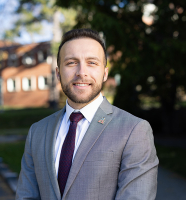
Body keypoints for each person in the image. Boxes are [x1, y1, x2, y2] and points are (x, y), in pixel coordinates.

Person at [16, 29, 159, 200]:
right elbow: (26, 196)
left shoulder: (134, 130)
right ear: (58, 73)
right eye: (71, 63)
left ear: (105, 73)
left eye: (92, 63)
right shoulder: (37, 131)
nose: (81, 72)